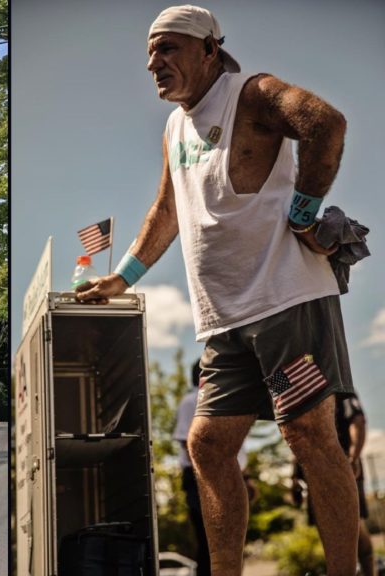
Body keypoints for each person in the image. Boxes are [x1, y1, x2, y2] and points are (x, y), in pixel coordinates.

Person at [75, 5, 358, 574]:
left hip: (286, 301)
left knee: (307, 434)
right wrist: (122, 276)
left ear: (209, 51)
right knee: (205, 445)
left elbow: (326, 122)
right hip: (224, 320)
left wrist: (305, 212)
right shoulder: (175, 127)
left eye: (169, 49)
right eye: (151, 53)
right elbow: (167, 209)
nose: (154, 62)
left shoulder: (251, 94)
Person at [174, 360, 255, 576]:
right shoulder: (191, 401)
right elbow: (186, 442)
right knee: (209, 540)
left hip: (229, 474)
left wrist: (245, 477)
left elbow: (235, 448)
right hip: (202, 478)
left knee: (234, 536)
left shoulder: (223, 401)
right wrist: (212, 473)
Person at [292, 394, 376, 576]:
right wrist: (295, 477)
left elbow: (358, 421)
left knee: (353, 526)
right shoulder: (297, 390)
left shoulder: (337, 388)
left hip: (340, 466)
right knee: (331, 530)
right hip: (313, 472)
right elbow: (296, 434)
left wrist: (353, 458)